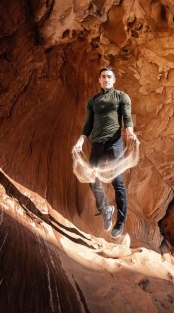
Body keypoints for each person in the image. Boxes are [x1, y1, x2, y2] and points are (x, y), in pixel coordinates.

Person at [72, 66, 138, 238]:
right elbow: (88, 124)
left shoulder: (121, 97)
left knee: (118, 183)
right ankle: (105, 209)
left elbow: (127, 117)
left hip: (114, 143)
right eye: (103, 77)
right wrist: (80, 141)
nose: (106, 79)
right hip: (97, 145)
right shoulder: (93, 101)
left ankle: (120, 222)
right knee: (91, 177)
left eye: (109, 77)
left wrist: (130, 133)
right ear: (99, 80)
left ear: (114, 80)